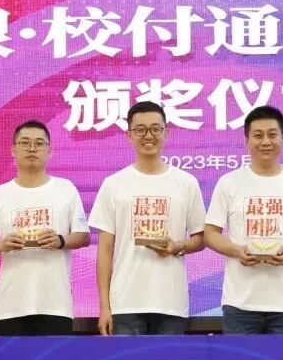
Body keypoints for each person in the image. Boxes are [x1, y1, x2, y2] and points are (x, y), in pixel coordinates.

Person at [204, 105, 283, 334]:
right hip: (240, 303)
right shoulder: (229, 182)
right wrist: (236, 250)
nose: (266, 142)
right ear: (247, 141)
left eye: (272, 134)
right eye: (258, 135)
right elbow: (210, 233)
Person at [88, 102, 206, 335]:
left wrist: (177, 246)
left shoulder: (186, 183)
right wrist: (104, 307)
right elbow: (105, 251)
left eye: (155, 129)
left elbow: (201, 239)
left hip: (171, 303)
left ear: (166, 133)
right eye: (140, 129)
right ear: (129, 135)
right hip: (125, 303)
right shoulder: (114, 184)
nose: (148, 135)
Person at [0, 121, 90, 335]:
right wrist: (1, 245)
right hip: (11, 306)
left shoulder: (66, 189)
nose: (32, 149)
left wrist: (60, 241)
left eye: (39, 143)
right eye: (25, 143)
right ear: (13, 150)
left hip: (56, 305)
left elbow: (83, 236)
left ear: (50, 150)